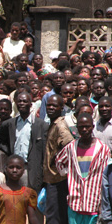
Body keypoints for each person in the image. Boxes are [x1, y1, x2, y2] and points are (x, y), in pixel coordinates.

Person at [56, 113, 110, 223]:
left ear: (93, 127)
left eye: (87, 126)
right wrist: (70, 174)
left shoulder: (103, 149)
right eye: (81, 127)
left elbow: (106, 177)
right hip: (75, 205)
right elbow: (59, 161)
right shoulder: (71, 147)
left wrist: (103, 203)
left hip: (94, 205)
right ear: (77, 128)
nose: (84, 129)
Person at [0, 92, 48, 194]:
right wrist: (9, 150)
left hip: (30, 169)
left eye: (25, 101)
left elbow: (45, 151)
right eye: (19, 101)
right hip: (14, 168)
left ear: (30, 104)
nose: (22, 103)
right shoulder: (10, 123)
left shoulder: (41, 125)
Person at [43, 94, 74, 224]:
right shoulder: (53, 123)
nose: (50, 108)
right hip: (52, 178)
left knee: (54, 216)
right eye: (49, 105)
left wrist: (58, 160)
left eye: (54, 106)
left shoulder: (60, 126)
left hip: (58, 179)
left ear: (61, 108)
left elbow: (70, 145)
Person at [0, 155, 38, 224]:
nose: (15, 170)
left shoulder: (28, 193)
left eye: (18, 168)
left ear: (23, 170)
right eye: (11, 167)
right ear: (5, 169)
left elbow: (32, 217)